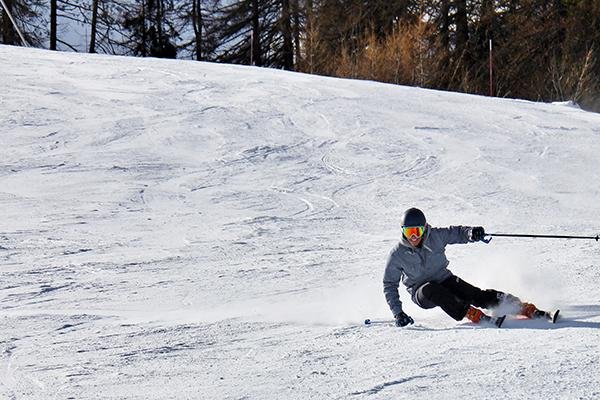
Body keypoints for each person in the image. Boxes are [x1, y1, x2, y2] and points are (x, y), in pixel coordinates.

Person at [383, 207, 540, 327]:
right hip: (422, 293)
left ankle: (519, 306)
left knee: (473, 293)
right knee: (431, 289)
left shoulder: (435, 236)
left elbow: (456, 233)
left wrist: (471, 233)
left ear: (425, 229)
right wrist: (398, 313)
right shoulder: (397, 254)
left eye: (417, 231)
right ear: (403, 231)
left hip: (444, 279)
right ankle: (470, 313)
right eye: (409, 232)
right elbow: (389, 284)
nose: (414, 237)